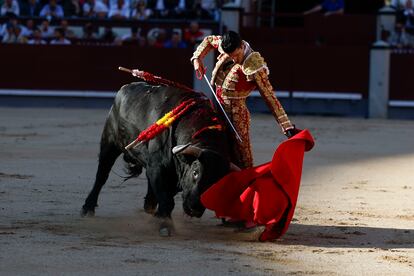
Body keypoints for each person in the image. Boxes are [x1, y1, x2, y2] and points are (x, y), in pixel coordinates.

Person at [191, 31, 298, 169]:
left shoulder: (255, 67)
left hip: (236, 115)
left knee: (243, 155)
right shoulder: (226, 45)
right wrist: (197, 58)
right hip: (216, 106)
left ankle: (247, 183)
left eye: (236, 55)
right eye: (230, 56)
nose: (234, 59)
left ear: (242, 46)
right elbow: (209, 40)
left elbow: (270, 97)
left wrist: (286, 126)